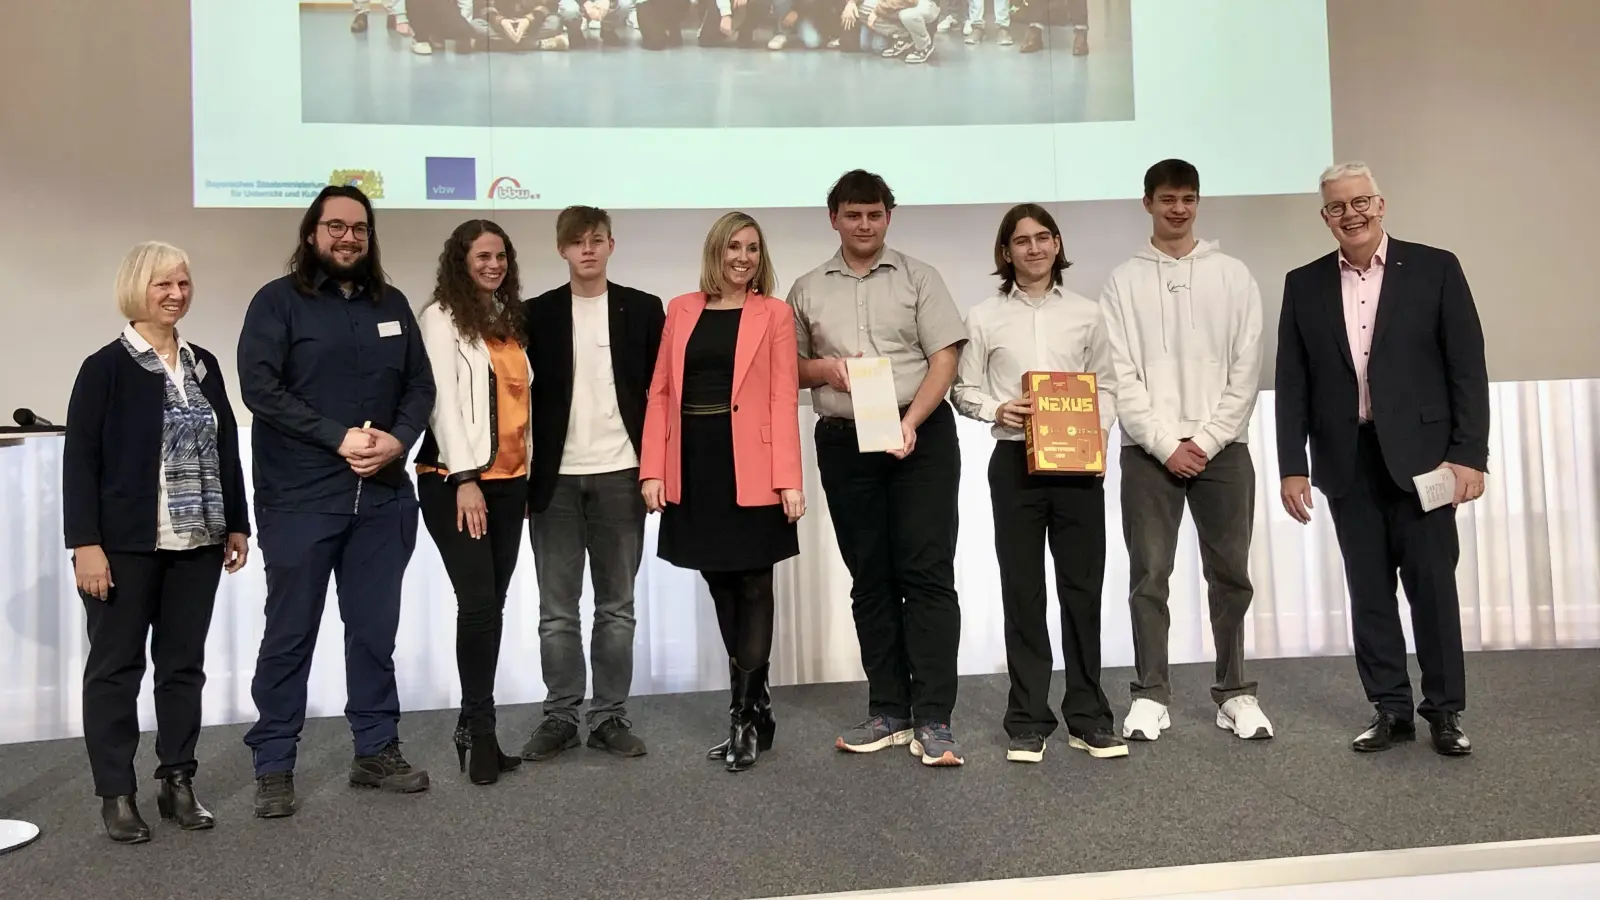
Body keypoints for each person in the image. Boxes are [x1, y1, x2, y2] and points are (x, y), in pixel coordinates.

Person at [237, 185, 437, 818]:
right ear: (312, 233)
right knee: (289, 635)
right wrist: (338, 437)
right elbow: (260, 389)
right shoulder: (276, 302)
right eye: (336, 227)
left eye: (359, 228)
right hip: (299, 500)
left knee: (374, 634)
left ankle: (375, 749)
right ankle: (274, 763)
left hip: (382, 499)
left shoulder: (392, 304)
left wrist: (399, 440)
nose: (348, 238)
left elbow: (420, 386)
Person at [1276, 162, 1487, 757]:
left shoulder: (1436, 268)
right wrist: (1293, 464)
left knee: (1432, 589)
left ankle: (1444, 711)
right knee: (1368, 593)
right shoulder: (1304, 283)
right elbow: (1293, 381)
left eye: (1360, 202)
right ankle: (1390, 709)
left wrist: (1469, 455)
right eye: (1338, 206)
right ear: (1325, 217)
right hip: (1347, 461)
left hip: (1425, 462)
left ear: (1381, 204)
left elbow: (1466, 366)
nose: (1352, 214)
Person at [63, 242, 251, 843]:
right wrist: (84, 543)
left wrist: (237, 522)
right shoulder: (105, 367)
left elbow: (225, 448)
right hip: (124, 547)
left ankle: (177, 781)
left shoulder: (203, 364)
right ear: (136, 289)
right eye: (162, 284)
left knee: (182, 667)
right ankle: (117, 793)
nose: (175, 295)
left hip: (198, 543)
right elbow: (80, 460)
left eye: (183, 284)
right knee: (115, 670)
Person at [787, 169, 969, 766]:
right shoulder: (807, 289)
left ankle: (934, 717)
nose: (864, 224)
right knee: (870, 576)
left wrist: (911, 421)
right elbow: (789, 366)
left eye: (874, 214)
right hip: (845, 441)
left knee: (927, 573)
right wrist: (826, 370)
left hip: (919, 435)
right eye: (852, 214)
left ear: (889, 217)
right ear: (833, 218)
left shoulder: (920, 277)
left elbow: (945, 357)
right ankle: (889, 710)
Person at [1097, 159, 1273, 743]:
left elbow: (1247, 368)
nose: (1179, 209)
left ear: (1198, 203)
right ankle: (1151, 695)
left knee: (1231, 575)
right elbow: (1119, 374)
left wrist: (1206, 439)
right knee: (1149, 576)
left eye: (1188, 198)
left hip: (1224, 451)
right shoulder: (1123, 281)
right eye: (1168, 198)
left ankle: (1235, 693)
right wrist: (1165, 443)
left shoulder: (1233, 275)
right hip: (1148, 454)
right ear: (1147, 202)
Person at [952, 204, 1126, 763]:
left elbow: (1108, 386)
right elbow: (962, 389)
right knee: (1022, 592)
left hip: (1078, 466)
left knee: (1083, 590)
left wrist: (1095, 434)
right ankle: (1028, 718)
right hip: (1014, 464)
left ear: (1057, 245)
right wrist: (997, 409)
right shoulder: (983, 316)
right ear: (1006, 252)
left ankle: (1089, 716)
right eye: (1022, 241)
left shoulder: (1088, 313)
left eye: (1043, 237)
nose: (1034, 248)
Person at [640, 212, 805, 773]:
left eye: (753, 248)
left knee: (754, 583)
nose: (743, 257)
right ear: (716, 252)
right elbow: (660, 393)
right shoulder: (681, 308)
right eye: (734, 247)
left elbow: (783, 397)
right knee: (719, 582)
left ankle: (742, 719)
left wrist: (789, 479)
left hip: (753, 465)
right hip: (694, 462)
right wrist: (653, 469)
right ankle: (758, 703)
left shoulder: (774, 313)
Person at [521, 206, 664, 761]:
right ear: (562, 249)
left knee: (616, 608)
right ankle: (560, 716)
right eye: (577, 241)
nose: (587, 249)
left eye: (597, 240)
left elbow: (660, 396)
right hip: (553, 480)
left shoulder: (643, 309)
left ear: (611, 245)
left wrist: (656, 468)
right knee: (556, 612)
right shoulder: (535, 314)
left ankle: (608, 717)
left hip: (621, 474)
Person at [414, 220, 532, 784]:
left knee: (493, 605)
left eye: (501, 256)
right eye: (483, 256)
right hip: (456, 482)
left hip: (511, 481)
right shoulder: (440, 318)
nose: (494, 265)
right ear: (460, 261)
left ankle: (472, 723)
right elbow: (439, 402)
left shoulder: (505, 319)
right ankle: (481, 732)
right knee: (479, 604)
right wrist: (464, 478)